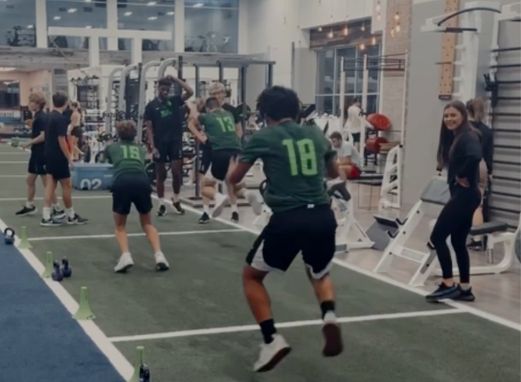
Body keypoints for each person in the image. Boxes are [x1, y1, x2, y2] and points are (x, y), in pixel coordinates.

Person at [228, 86, 343, 372]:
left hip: (288, 218)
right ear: (296, 109)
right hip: (322, 215)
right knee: (319, 270)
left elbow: (234, 177)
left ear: (266, 113)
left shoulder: (263, 136)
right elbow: (333, 173)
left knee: (251, 277)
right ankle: (328, 315)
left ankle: (271, 339)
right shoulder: (317, 134)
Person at [427, 100, 482, 302]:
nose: (449, 119)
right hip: (466, 196)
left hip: (465, 196)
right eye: (446, 116)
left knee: (437, 237)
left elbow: (476, 156)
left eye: (453, 115)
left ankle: (448, 283)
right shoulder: (459, 136)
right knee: (458, 241)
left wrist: (461, 175)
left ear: (463, 116)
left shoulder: (468, 136)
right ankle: (465, 288)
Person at [106, 121, 170, 273]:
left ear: (118, 134)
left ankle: (126, 255)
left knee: (120, 225)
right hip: (142, 181)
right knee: (147, 222)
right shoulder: (140, 148)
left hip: (122, 181)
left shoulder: (112, 147)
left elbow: (108, 160)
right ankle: (159, 255)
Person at [188, 97, 261, 224]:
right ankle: (247, 194)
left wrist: (193, 104)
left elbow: (194, 116)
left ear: (209, 108)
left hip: (220, 152)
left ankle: (218, 197)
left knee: (206, 185)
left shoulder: (208, 117)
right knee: (234, 183)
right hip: (236, 151)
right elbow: (238, 130)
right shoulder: (229, 114)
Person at [144, 75, 193, 216]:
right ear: (158, 89)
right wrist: (153, 147)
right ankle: (161, 203)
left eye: (167, 89)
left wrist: (176, 80)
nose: (165, 92)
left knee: (177, 172)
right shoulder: (151, 106)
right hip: (160, 143)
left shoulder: (174, 101)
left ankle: (176, 200)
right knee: (161, 174)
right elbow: (149, 128)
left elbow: (190, 92)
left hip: (175, 141)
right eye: (163, 89)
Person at [41, 92, 87, 227]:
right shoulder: (59, 119)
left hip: (49, 154)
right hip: (58, 156)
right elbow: (61, 140)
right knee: (66, 185)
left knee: (50, 185)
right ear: (66, 103)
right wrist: (69, 158)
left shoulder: (49, 116)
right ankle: (71, 216)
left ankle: (46, 216)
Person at [17, 93, 63, 217]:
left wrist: (28, 143)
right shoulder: (38, 116)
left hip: (41, 153)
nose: (29, 104)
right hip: (36, 153)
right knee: (30, 179)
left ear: (37, 104)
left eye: (31, 101)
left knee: (46, 183)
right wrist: (32, 125)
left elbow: (43, 136)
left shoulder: (42, 117)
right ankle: (29, 205)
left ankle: (57, 208)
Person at [466, 97, 494, 249]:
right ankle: (477, 240)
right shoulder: (487, 131)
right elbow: (489, 154)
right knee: (478, 204)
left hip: (468, 165)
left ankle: (475, 240)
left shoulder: (464, 129)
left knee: (467, 203)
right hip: (482, 166)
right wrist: (490, 171)